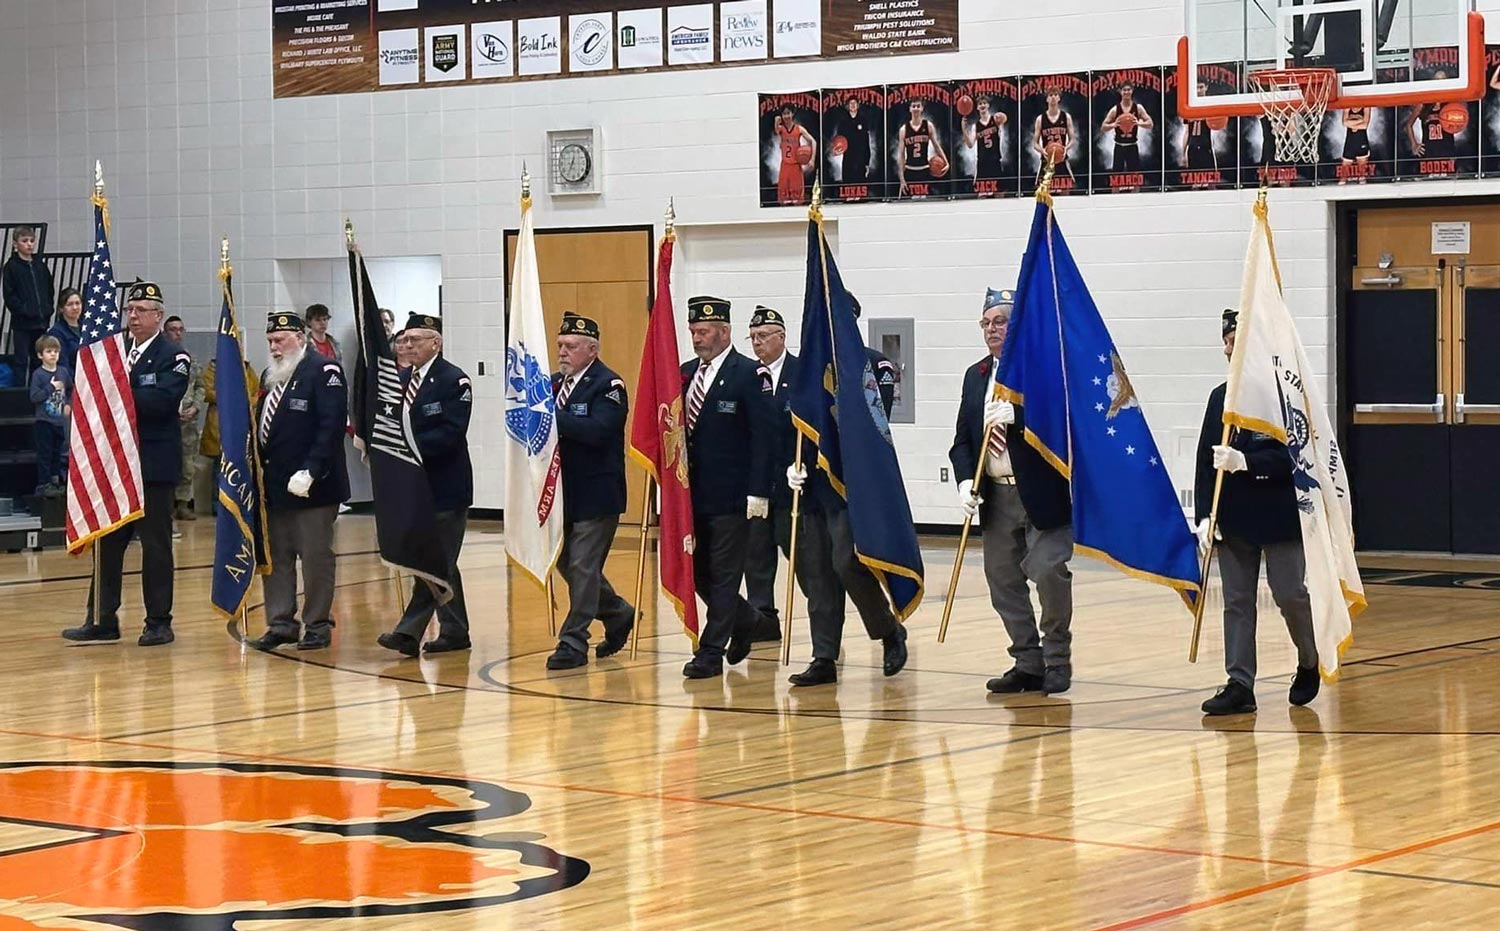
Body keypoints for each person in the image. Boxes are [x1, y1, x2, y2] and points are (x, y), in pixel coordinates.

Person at [1195, 308, 1319, 716]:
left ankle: (1308, 658)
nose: (1233, 347)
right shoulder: (1220, 397)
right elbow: (1203, 460)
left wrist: (1247, 463)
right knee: (1236, 600)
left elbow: (1296, 459)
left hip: (1279, 516)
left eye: (1241, 340)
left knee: (1289, 594)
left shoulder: (1283, 397)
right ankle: (1239, 682)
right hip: (1233, 517)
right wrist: (1203, 515)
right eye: (1229, 341)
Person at [951, 288, 1075, 695]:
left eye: (999, 321)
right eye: (985, 323)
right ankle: (1027, 661)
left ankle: (1058, 658)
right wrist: (966, 480)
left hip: (1040, 491)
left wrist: (1018, 416)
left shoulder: (1042, 371)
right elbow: (963, 440)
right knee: (1001, 579)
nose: (991, 330)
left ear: (1016, 325)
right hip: (996, 495)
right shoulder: (977, 375)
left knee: (1047, 571)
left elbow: (1061, 427)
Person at [781, 291, 910, 686]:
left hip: (855, 484)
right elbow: (790, 422)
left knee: (846, 562)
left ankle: (888, 630)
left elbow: (874, 423)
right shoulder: (804, 370)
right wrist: (792, 464)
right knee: (816, 572)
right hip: (814, 483)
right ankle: (824, 656)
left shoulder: (873, 365)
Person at [62, 281, 189, 646]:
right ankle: (102, 618)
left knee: (156, 546)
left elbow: (162, 402)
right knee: (107, 543)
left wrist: (115, 392)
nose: (133, 317)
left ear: (158, 316)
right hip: (114, 463)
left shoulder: (172, 355)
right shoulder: (113, 350)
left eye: (141, 310)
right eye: (129, 310)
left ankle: (158, 621)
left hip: (151, 465)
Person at [680, 295, 775, 679]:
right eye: (692, 332)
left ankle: (710, 650)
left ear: (724, 331)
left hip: (733, 496)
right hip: (692, 496)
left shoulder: (749, 374)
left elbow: (763, 438)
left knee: (722, 574)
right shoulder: (685, 374)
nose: (697, 339)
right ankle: (748, 619)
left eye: (703, 332)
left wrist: (759, 491)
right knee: (699, 573)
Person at [249, 312, 349, 652]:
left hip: (313, 486)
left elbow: (330, 426)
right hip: (274, 486)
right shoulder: (270, 375)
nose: (274, 347)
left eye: (280, 340)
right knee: (277, 557)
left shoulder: (323, 371)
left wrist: (311, 469)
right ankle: (280, 623)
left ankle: (318, 623)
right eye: (270, 342)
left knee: (315, 556)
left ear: (300, 338)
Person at [377, 314, 474, 657]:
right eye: (404, 340)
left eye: (416, 340)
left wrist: (409, 450)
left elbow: (450, 432)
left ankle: (408, 631)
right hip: (413, 490)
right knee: (441, 563)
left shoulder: (453, 380)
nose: (408, 346)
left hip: (445, 487)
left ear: (436, 342)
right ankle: (455, 630)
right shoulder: (401, 381)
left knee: (436, 562)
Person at [544, 312, 636, 669]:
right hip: (560, 494)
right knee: (567, 564)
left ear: (592, 349)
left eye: (570, 346)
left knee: (583, 566)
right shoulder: (552, 385)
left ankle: (573, 640)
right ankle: (617, 612)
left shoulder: (608, 384)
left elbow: (599, 430)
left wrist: (552, 419)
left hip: (596, 494)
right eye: (560, 346)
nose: (562, 352)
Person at [741, 306, 801, 643]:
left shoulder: (800, 372)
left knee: (801, 556)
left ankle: (825, 621)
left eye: (763, 336)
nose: (757, 343)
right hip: (757, 483)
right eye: (752, 337)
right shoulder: (748, 375)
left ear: (781, 336)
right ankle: (763, 617)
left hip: (793, 481)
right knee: (756, 553)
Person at [199, 356, 260, 508]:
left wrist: (245, 401)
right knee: (219, 468)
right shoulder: (213, 368)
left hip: (242, 420)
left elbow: (256, 393)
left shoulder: (247, 368)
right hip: (219, 422)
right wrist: (231, 398)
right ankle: (217, 505)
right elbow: (206, 392)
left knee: (242, 464)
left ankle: (241, 503)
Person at [163, 316, 204, 520]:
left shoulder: (189, 359)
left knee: (187, 466)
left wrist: (196, 407)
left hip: (188, 423)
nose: (177, 333)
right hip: (167, 420)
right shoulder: (161, 357)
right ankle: (167, 505)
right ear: (165, 332)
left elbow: (201, 387)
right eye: (172, 329)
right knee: (168, 463)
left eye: (180, 329)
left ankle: (183, 503)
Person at [3, 226, 55, 380]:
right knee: (21, 360)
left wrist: (48, 308)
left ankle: (36, 389)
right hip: (22, 323)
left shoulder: (40, 265)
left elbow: (49, 288)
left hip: (41, 321)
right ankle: (19, 393)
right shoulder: (11, 267)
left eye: (32, 241)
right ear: (15, 244)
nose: (29, 244)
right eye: (24, 241)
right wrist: (24, 310)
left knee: (38, 359)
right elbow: (9, 295)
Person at [29, 334, 70, 497]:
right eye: (48, 351)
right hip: (44, 421)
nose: (53, 354)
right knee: (45, 453)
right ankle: (43, 483)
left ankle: (55, 481)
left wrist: (68, 403)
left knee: (57, 452)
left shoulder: (63, 372)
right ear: (40, 355)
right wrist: (51, 388)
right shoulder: (38, 375)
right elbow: (34, 397)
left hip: (59, 421)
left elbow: (71, 389)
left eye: (55, 351)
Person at [1101, 82, 1152, 174]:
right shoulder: (1115, 109)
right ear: (1120, 92)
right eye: (1124, 90)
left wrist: (1139, 124)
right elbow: (1103, 127)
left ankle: (1135, 189)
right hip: (1119, 146)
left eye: (1128, 90)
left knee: (1136, 176)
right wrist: (1113, 125)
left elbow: (1150, 124)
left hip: (1132, 146)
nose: (1126, 92)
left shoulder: (1138, 108)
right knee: (1116, 177)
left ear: (1132, 91)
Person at [897, 98, 945, 196]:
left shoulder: (928, 126)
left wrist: (946, 162)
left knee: (925, 204)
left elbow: (937, 146)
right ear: (910, 109)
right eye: (913, 106)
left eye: (918, 106)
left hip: (925, 170)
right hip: (909, 170)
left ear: (922, 108)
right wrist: (902, 179)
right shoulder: (904, 129)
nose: (916, 108)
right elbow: (901, 156)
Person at [964, 95, 1008, 190]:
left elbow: (1005, 118)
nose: (982, 105)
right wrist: (963, 129)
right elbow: (970, 144)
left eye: (984, 103)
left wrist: (1000, 115)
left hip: (995, 161)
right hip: (982, 163)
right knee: (981, 194)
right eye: (980, 104)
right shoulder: (975, 126)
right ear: (977, 107)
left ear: (988, 105)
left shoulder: (995, 120)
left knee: (999, 193)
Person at [776, 105, 815, 206]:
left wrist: (812, 159)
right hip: (785, 166)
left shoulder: (799, 129)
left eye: (788, 113)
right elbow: (776, 129)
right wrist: (776, 122)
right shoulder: (781, 129)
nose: (786, 116)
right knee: (783, 200)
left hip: (796, 167)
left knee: (797, 200)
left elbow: (813, 141)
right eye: (784, 114)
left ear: (792, 114)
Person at [1034, 87, 1076, 179]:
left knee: (1067, 188)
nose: (1053, 97)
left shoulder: (1066, 117)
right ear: (1047, 99)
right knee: (1041, 190)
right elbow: (1035, 144)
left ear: (1059, 98)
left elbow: (1072, 139)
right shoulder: (1040, 119)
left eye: (1055, 95)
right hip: (1046, 159)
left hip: (1061, 158)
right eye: (1050, 95)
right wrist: (1042, 151)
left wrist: (1066, 148)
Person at [836, 94, 873, 185]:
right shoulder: (843, 122)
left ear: (858, 105)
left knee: (860, 183)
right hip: (848, 157)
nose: (853, 105)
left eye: (855, 103)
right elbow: (839, 141)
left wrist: (867, 161)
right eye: (850, 103)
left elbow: (866, 141)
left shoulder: (863, 120)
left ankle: (859, 199)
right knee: (848, 182)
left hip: (860, 157)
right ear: (847, 106)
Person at [48, 288, 83, 371]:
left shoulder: (87, 328)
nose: (74, 307)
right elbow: (62, 364)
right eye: (70, 304)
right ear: (61, 308)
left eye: (77, 303)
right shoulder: (56, 333)